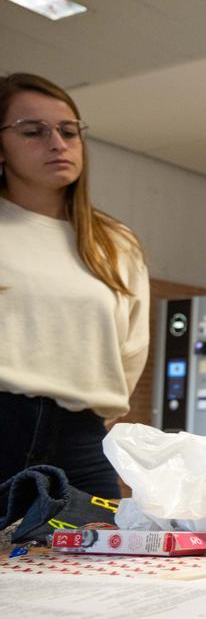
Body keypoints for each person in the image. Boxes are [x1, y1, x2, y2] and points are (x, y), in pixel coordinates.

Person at [0, 73, 149, 500]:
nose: (57, 143)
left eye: (69, 132)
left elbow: (131, 350)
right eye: (33, 131)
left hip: (80, 440)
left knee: (94, 564)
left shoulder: (115, 241)